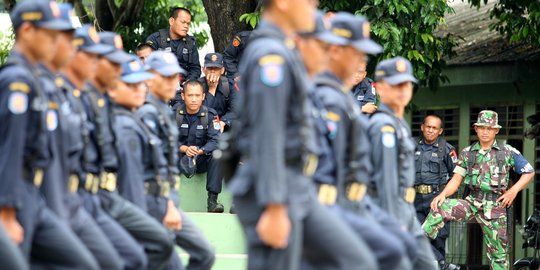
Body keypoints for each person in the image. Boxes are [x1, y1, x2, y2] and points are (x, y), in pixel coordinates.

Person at [227, 1, 376, 269]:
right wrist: (274, 204)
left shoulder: (284, 51)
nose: (313, 7)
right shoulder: (270, 55)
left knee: (357, 260)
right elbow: (268, 130)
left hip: (296, 186)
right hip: (276, 188)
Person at [299, 11, 411, 270]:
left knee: (399, 248)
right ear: (336, 51)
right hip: (324, 207)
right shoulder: (324, 96)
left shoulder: (343, 97)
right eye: (357, 52)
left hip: (353, 203)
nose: (361, 60)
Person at [0, 1, 103, 268]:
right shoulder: (17, 81)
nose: (55, 41)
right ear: (26, 31)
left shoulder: (33, 78)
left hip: (35, 197)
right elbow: (10, 149)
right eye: (49, 33)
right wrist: (7, 213)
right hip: (17, 196)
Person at [81, 31, 174, 270]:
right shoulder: (120, 118)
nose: (139, 89)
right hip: (92, 199)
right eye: (131, 84)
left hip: (110, 198)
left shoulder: (112, 109)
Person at [62, 24, 148, 270]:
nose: (118, 69)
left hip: (97, 196)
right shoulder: (72, 97)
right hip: (75, 198)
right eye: (93, 56)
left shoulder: (98, 100)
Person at [423, 110, 536, 270]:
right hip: (472, 202)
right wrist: (442, 195)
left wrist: (513, 191)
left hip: (495, 207)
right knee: (441, 206)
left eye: (489, 128)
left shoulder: (507, 152)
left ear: (496, 130)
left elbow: (529, 171)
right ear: (476, 128)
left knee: (499, 257)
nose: (485, 131)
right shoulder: (468, 153)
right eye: (482, 127)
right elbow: (456, 179)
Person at [139, 51, 216, 270]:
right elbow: (152, 167)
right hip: (153, 202)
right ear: (150, 78)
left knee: (203, 254)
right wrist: (167, 204)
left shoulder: (164, 111)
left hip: (167, 200)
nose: (173, 82)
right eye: (166, 76)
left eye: (175, 77)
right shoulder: (147, 115)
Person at [368, 56, 438, 269]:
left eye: (406, 84)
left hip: (406, 210)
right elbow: (386, 181)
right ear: (379, 88)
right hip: (390, 211)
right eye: (395, 84)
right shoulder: (383, 127)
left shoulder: (399, 125)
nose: (402, 89)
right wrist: (392, 225)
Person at [413, 115, 459, 270]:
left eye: (434, 128)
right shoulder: (411, 146)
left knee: (438, 239)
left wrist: (444, 195)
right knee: (414, 234)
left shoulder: (447, 149)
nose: (430, 130)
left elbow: (457, 176)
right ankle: (442, 264)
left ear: (440, 131)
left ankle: (439, 263)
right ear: (422, 127)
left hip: (436, 199)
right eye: (428, 127)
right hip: (415, 199)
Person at [176, 80, 224, 213]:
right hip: (179, 159)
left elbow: (216, 140)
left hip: (200, 159)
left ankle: (212, 202)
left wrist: (200, 151)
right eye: (190, 95)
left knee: (218, 155)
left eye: (197, 95)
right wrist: (184, 149)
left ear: (203, 96)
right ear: (183, 96)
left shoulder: (210, 115)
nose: (193, 99)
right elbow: (165, 140)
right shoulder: (174, 114)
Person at [145, 7, 201, 81]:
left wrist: (188, 84)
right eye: (183, 22)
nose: (186, 26)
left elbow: (195, 69)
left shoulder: (190, 42)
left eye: (188, 24)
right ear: (171, 21)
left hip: (184, 86)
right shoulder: (155, 39)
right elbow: (148, 65)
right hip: (161, 83)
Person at [197, 52, 236, 132]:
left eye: (216, 68)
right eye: (209, 68)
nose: (212, 71)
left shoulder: (230, 85)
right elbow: (201, 111)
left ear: (222, 70)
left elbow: (235, 109)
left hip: (225, 126)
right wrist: (212, 89)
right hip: (202, 126)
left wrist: (223, 122)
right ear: (203, 69)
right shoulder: (197, 86)